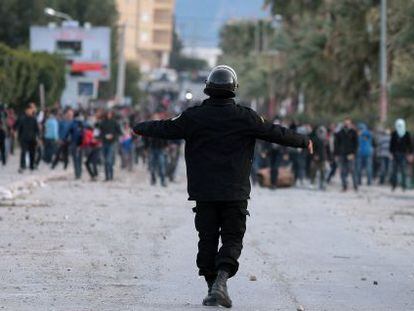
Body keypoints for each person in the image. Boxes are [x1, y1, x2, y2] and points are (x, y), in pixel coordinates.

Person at [132, 65, 313, 308]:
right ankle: (221, 280)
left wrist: (138, 127)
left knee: (206, 238)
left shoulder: (193, 117)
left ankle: (213, 287)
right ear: (233, 89)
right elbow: (276, 132)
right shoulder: (246, 117)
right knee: (232, 238)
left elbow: (164, 128)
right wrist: (304, 141)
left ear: (207, 88)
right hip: (234, 192)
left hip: (204, 192)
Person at [334, 118, 358, 191]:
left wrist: (354, 153)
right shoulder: (339, 133)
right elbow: (336, 144)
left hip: (350, 154)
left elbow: (356, 144)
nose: (347, 124)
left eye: (348, 123)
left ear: (350, 124)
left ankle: (355, 186)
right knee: (342, 171)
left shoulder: (353, 132)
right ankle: (344, 186)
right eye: (346, 123)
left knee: (352, 170)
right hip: (342, 154)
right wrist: (336, 154)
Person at [16, 103, 39, 173]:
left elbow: (36, 130)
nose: (29, 111)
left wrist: (38, 138)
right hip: (24, 139)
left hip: (32, 139)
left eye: (31, 110)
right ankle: (22, 166)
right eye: (28, 110)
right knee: (23, 152)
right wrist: (19, 138)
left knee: (32, 153)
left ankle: (31, 167)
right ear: (26, 111)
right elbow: (19, 129)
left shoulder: (34, 119)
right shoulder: (22, 119)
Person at [390, 118, 412, 191]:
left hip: (404, 154)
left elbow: (410, 145)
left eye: (400, 125)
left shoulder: (407, 134)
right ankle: (394, 185)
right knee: (394, 171)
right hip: (395, 154)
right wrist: (391, 153)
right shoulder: (394, 134)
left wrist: (410, 154)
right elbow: (391, 144)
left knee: (403, 171)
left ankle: (404, 186)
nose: (399, 126)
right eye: (398, 125)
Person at [99, 110, 121, 181]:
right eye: (108, 113)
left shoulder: (114, 122)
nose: (109, 115)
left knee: (109, 160)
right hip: (104, 143)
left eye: (110, 114)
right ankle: (107, 176)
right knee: (105, 160)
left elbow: (119, 132)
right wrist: (104, 136)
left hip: (112, 143)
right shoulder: (102, 122)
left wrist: (113, 136)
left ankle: (111, 175)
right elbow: (100, 132)